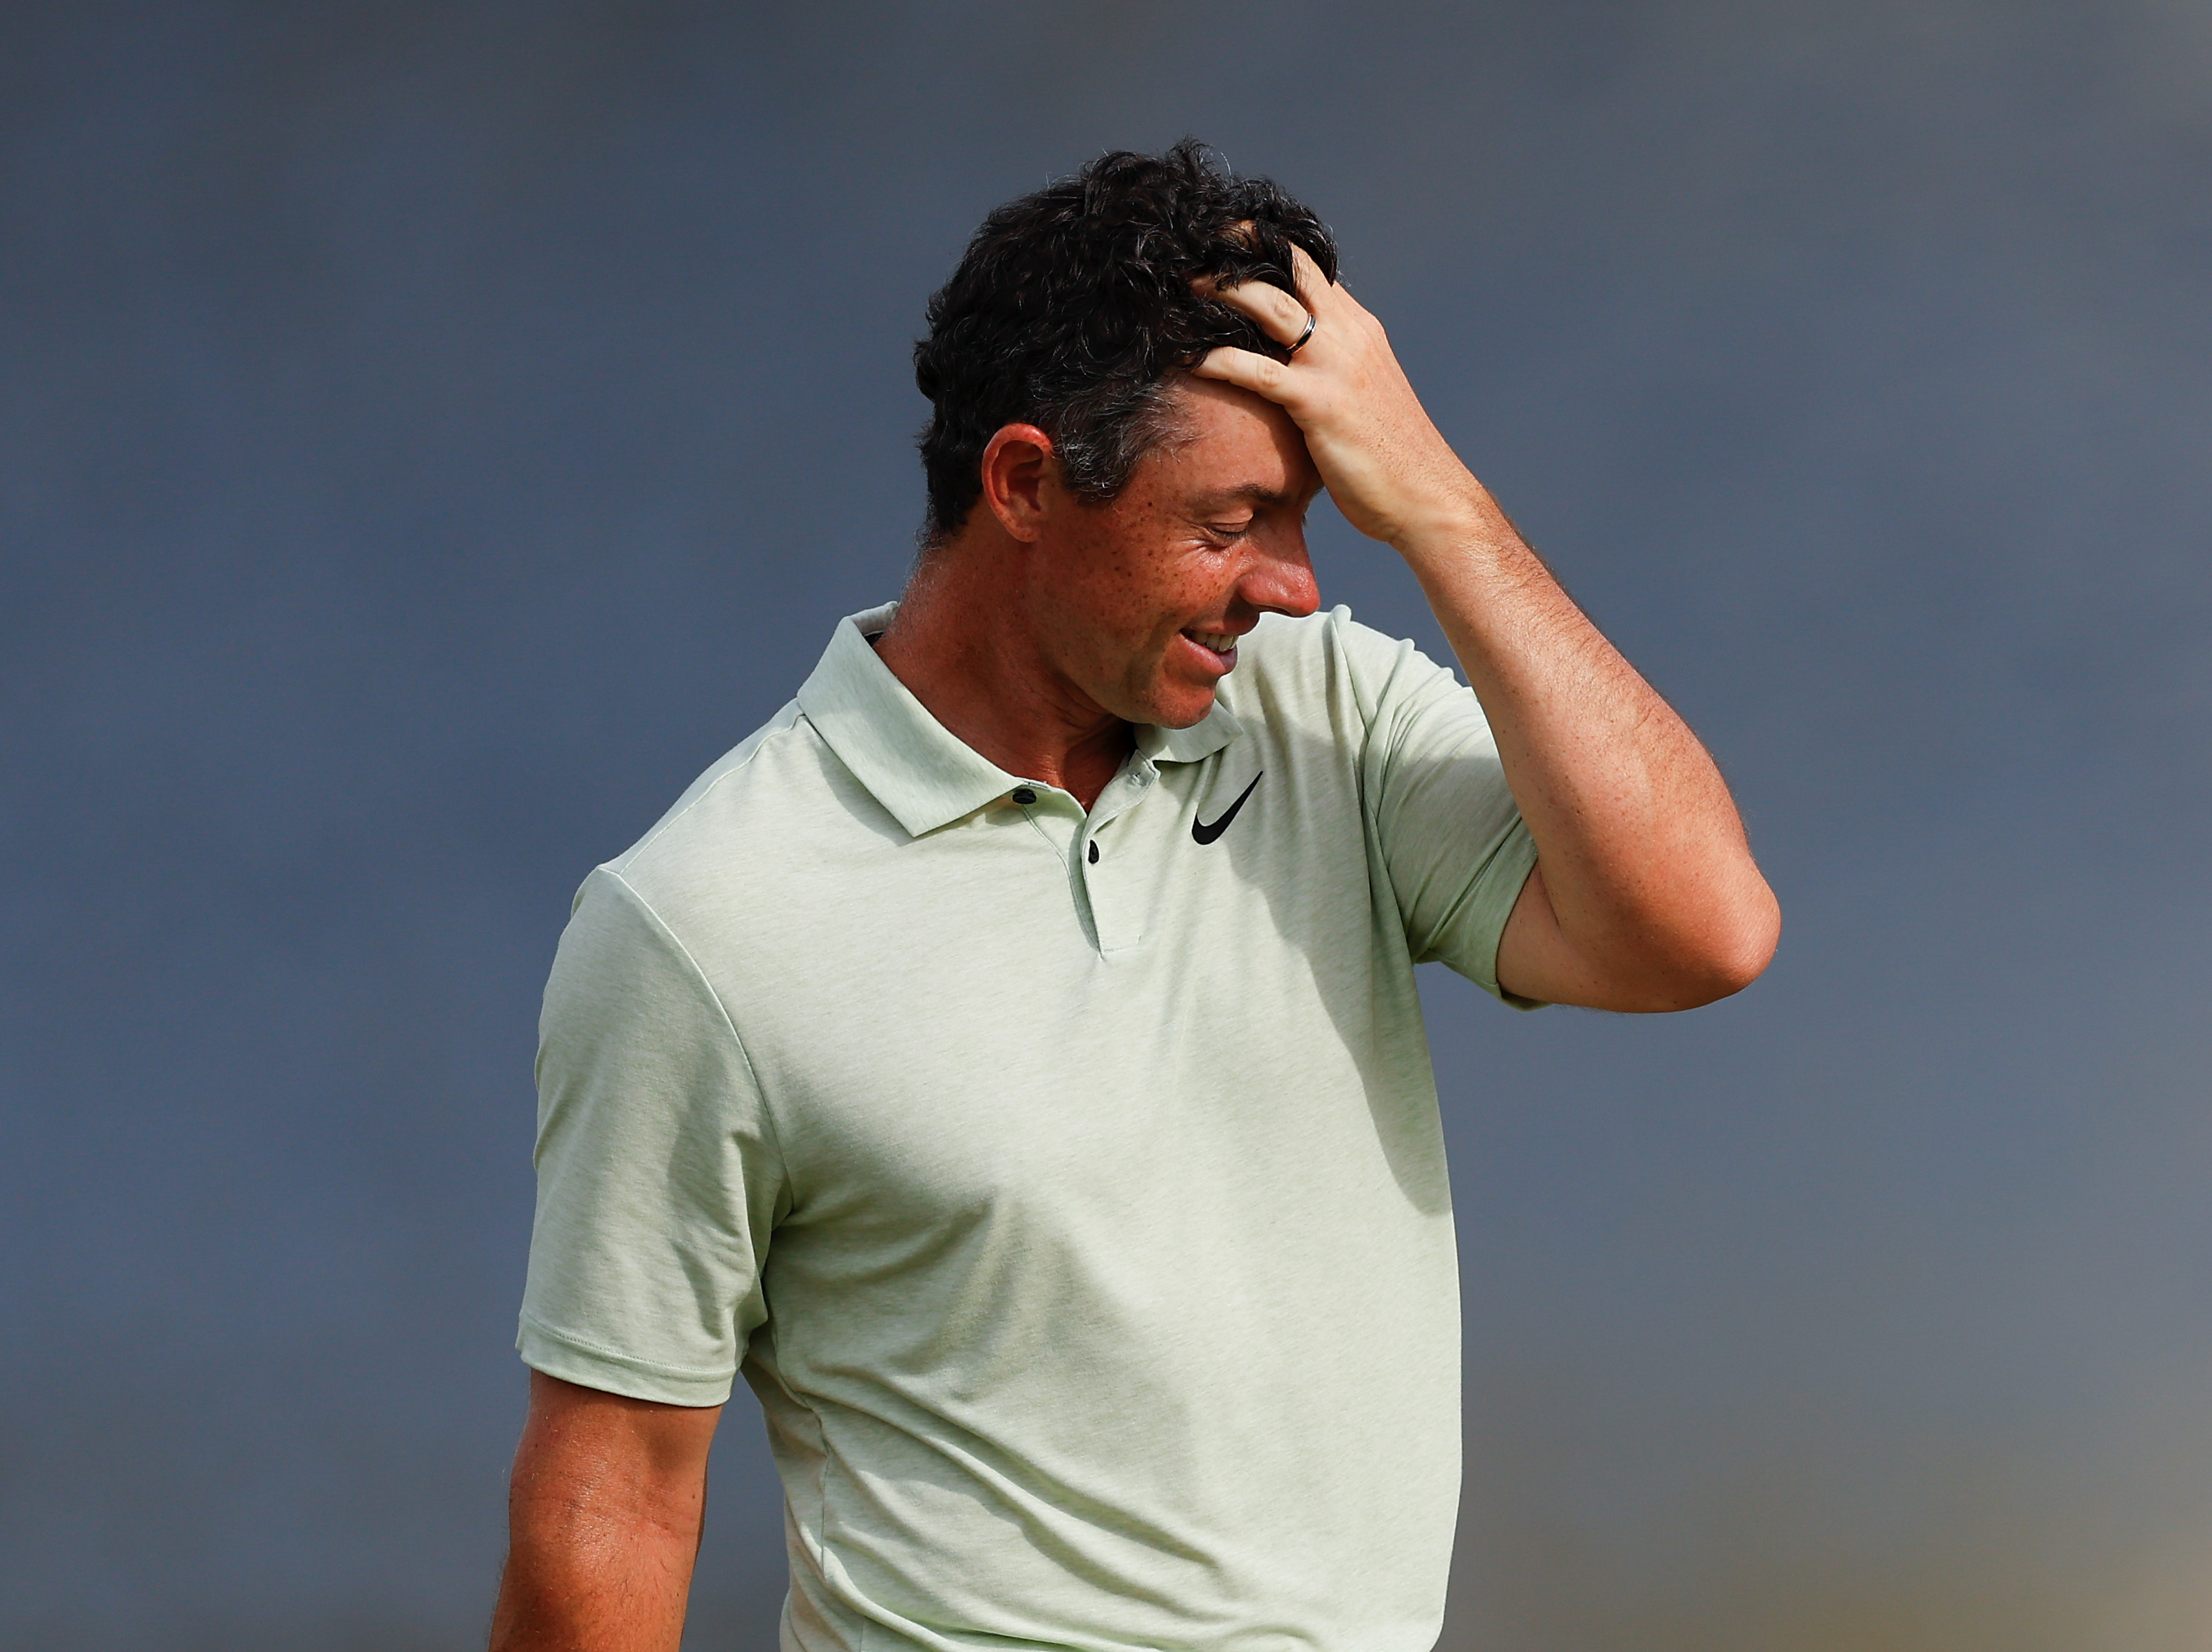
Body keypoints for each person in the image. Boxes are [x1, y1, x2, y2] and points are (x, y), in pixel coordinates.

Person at [489, 141, 1778, 1652]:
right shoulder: (705, 924)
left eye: (1318, 511)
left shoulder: (1323, 716)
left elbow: (1703, 930)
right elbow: (616, 1497)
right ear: (1027, 483)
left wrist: (1440, 505)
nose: (1294, 584)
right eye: (1232, 523)